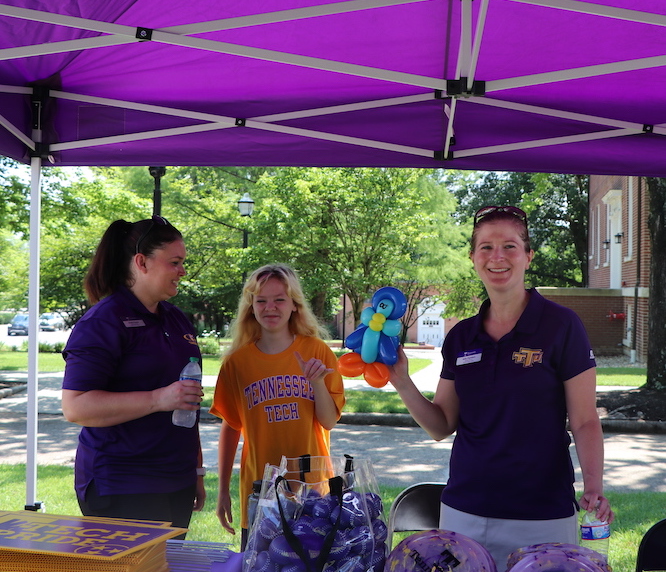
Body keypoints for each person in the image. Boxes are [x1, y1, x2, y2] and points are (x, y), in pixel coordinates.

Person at [389, 205, 614, 570]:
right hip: (465, 513)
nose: (497, 257)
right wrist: (401, 380)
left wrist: (593, 486)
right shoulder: (462, 335)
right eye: (486, 247)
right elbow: (441, 424)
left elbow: (585, 420)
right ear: (473, 258)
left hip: (542, 513)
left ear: (528, 256)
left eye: (509, 246)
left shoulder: (562, 326)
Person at [61, 215, 205, 534]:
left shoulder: (176, 319)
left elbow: (188, 400)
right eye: (175, 262)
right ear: (141, 262)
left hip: (176, 479)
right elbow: (76, 406)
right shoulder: (103, 321)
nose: (183, 271)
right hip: (122, 483)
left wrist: (196, 471)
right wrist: (157, 399)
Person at [211, 263, 345, 548]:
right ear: (251, 306)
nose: (270, 307)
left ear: (295, 304)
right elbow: (231, 427)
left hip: (312, 492)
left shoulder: (316, 351)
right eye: (261, 300)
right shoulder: (237, 363)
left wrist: (317, 382)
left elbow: (329, 421)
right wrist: (222, 490)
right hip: (261, 492)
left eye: (279, 299)